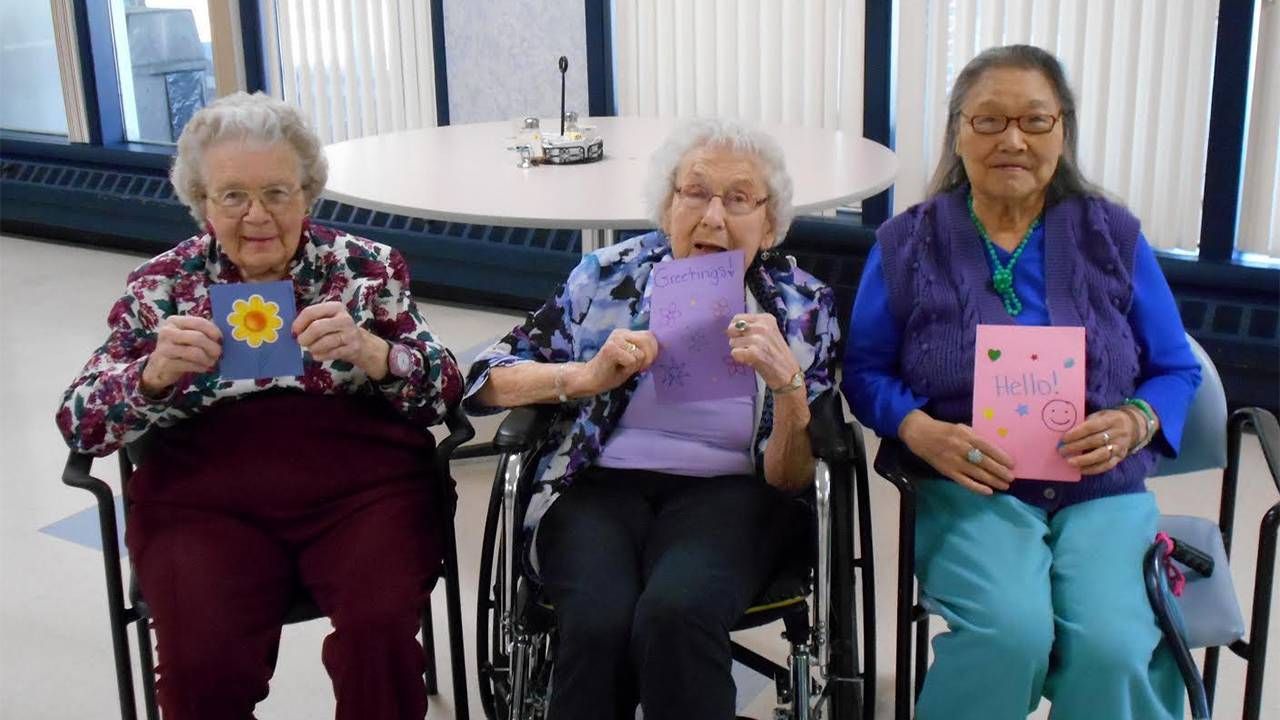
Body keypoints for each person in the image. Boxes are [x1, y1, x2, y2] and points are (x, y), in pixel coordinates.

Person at [56, 92, 463, 720]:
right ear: (202, 202)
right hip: (203, 500)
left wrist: (376, 354)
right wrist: (152, 374)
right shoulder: (162, 286)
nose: (257, 216)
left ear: (307, 193)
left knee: (378, 634)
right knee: (201, 662)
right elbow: (79, 421)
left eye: (277, 192)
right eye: (233, 196)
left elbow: (445, 391)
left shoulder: (365, 268)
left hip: (362, 491)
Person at [843, 44, 1202, 720]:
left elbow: (1177, 368)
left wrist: (1136, 421)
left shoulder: (1113, 236)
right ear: (958, 131)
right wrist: (919, 429)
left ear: (1062, 130)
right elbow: (864, 372)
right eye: (989, 120)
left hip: (1102, 489)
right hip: (972, 485)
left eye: (1036, 121)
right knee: (1010, 634)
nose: (1013, 139)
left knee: (1113, 645)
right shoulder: (904, 243)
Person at [465, 118, 839, 719]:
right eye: (695, 192)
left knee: (678, 612)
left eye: (739, 199)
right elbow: (484, 377)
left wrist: (789, 388)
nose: (713, 217)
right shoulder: (605, 277)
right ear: (667, 207)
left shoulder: (802, 307)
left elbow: (791, 480)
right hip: (597, 485)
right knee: (596, 619)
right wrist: (581, 378)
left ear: (769, 224)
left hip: (732, 493)